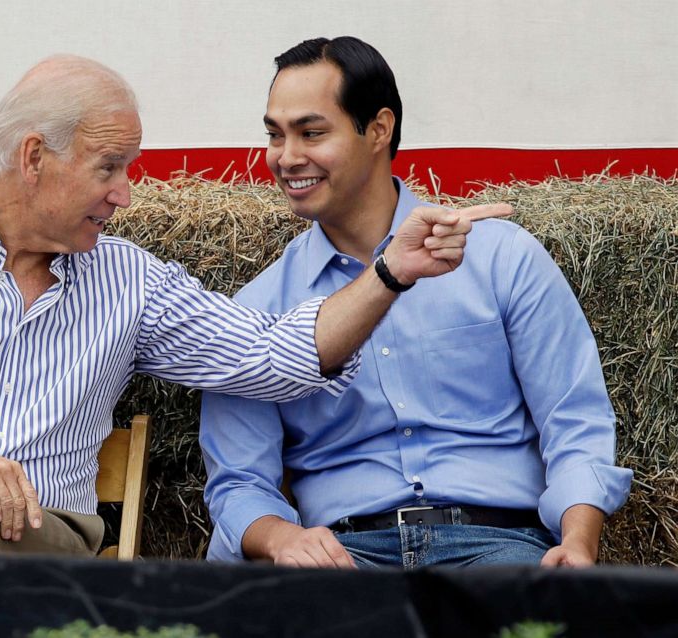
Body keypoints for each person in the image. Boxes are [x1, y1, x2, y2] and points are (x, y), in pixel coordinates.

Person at [0, 54, 507, 637]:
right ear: (34, 157)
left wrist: (388, 272)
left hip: (36, 553)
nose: (126, 193)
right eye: (110, 167)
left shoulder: (127, 281)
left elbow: (272, 356)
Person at [200, 36, 632, 570]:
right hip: (344, 556)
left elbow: (575, 419)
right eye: (274, 134)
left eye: (311, 133)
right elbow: (238, 483)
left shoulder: (501, 256)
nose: (287, 158)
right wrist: (282, 537)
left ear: (378, 129)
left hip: (498, 546)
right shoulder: (255, 308)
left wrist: (578, 540)